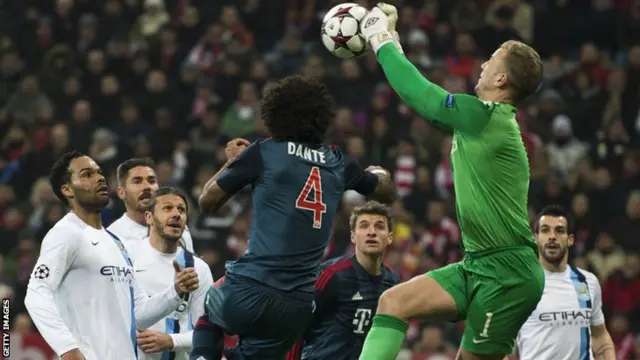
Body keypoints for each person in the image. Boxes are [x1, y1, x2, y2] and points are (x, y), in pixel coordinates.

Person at [357, 4, 545, 360]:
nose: (484, 64)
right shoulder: (477, 121)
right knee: (393, 302)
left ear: (502, 80)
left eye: (492, 60)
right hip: (476, 264)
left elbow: (422, 95)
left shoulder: (485, 117)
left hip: (508, 276)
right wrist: (394, 40)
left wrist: (379, 39)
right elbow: (421, 98)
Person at [190, 75, 395, 360]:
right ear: (322, 118)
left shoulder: (264, 151)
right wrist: (378, 173)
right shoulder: (339, 162)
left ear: (275, 114)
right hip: (295, 308)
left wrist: (232, 161)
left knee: (206, 308)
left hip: (249, 288)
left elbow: (207, 202)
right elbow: (385, 191)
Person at [24, 151, 200, 360]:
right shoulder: (66, 233)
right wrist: (67, 349)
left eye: (99, 172)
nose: (99, 178)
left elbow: (139, 313)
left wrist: (176, 291)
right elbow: (36, 294)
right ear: (67, 190)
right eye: (87, 174)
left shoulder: (116, 242)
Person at [287, 201, 400, 360]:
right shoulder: (332, 275)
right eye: (364, 226)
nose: (371, 232)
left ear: (389, 238)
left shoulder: (392, 283)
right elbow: (296, 325)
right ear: (353, 236)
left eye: (379, 226)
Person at [514, 205, 615, 360]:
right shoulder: (520, 285)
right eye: (545, 230)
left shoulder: (588, 282)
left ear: (570, 240)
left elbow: (600, 335)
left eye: (559, 230)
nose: (552, 236)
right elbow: (498, 346)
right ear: (536, 238)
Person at [133, 187, 215, 360]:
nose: (177, 214)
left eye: (182, 210)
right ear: (149, 217)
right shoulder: (127, 258)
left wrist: (171, 340)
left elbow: (207, 333)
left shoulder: (197, 269)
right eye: (167, 208)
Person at [108, 158, 195, 253]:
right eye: (137, 182)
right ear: (121, 193)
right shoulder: (113, 236)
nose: (147, 187)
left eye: (151, 181)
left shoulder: (177, 226)